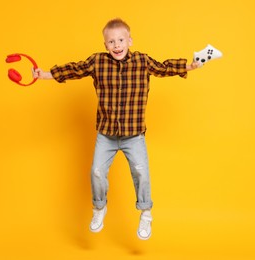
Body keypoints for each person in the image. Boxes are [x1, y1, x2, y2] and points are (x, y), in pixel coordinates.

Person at [33, 18, 199, 240]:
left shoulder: (142, 60)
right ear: (105, 45)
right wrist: (44, 74)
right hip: (106, 134)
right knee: (96, 172)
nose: (117, 45)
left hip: (134, 135)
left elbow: (164, 67)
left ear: (130, 40)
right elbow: (74, 69)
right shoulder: (97, 62)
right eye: (111, 42)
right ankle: (99, 208)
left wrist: (190, 65)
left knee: (141, 172)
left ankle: (146, 213)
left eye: (121, 40)